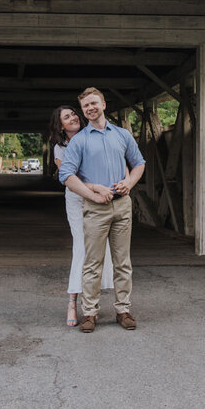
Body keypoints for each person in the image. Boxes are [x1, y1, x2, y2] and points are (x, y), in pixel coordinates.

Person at [58, 87, 145, 333]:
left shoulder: (122, 135)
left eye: (94, 103)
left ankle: (123, 310)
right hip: (95, 209)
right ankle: (90, 314)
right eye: (86, 106)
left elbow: (139, 164)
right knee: (92, 263)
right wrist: (92, 194)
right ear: (84, 111)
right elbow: (66, 175)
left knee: (122, 261)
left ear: (104, 105)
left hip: (122, 205)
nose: (90, 108)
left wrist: (128, 183)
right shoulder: (79, 140)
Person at [47, 105, 115, 327]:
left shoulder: (92, 137)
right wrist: (94, 186)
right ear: (61, 125)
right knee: (82, 247)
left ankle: (91, 304)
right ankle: (72, 301)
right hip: (78, 198)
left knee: (101, 247)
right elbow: (69, 178)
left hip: (99, 197)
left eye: (74, 113)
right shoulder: (60, 148)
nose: (73, 117)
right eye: (67, 117)